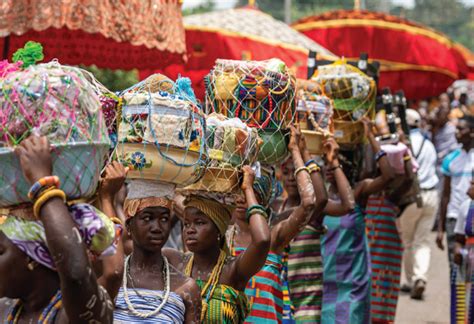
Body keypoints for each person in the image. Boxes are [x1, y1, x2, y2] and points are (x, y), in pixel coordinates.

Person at [0, 136, 118, 323]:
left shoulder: (79, 311)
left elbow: (76, 274)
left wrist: (42, 183)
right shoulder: (5, 309)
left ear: (34, 256)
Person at [229, 125, 325, 323]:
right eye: (237, 192)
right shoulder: (221, 236)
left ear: (264, 199)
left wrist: (295, 150)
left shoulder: (274, 237)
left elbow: (309, 202)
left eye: (249, 192)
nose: (241, 199)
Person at [164, 166, 271, 323]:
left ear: (219, 229)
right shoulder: (174, 261)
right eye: (186, 224)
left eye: (199, 223)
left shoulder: (233, 270)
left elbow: (262, 240)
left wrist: (248, 189)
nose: (190, 230)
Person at [322, 117, 395, 324]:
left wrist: (370, 135)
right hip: (325, 282)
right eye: (327, 162)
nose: (329, 167)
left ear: (349, 167)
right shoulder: (322, 198)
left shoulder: (358, 191)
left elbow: (388, 176)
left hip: (352, 283)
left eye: (336, 162)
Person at [113, 179, 202, 323]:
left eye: (164, 219)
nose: (156, 227)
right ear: (129, 226)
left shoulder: (186, 288)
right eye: (147, 218)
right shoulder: (112, 279)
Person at [398, 109, 439, 299]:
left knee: (408, 240)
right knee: (422, 240)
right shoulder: (428, 144)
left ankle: (410, 279)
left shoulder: (403, 144)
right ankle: (420, 276)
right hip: (432, 195)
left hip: (412, 198)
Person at [452, 180, 474, 323]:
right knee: (464, 307)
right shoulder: (466, 206)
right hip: (468, 263)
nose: (470, 185)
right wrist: (457, 251)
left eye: (473, 183)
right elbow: (459, 237)